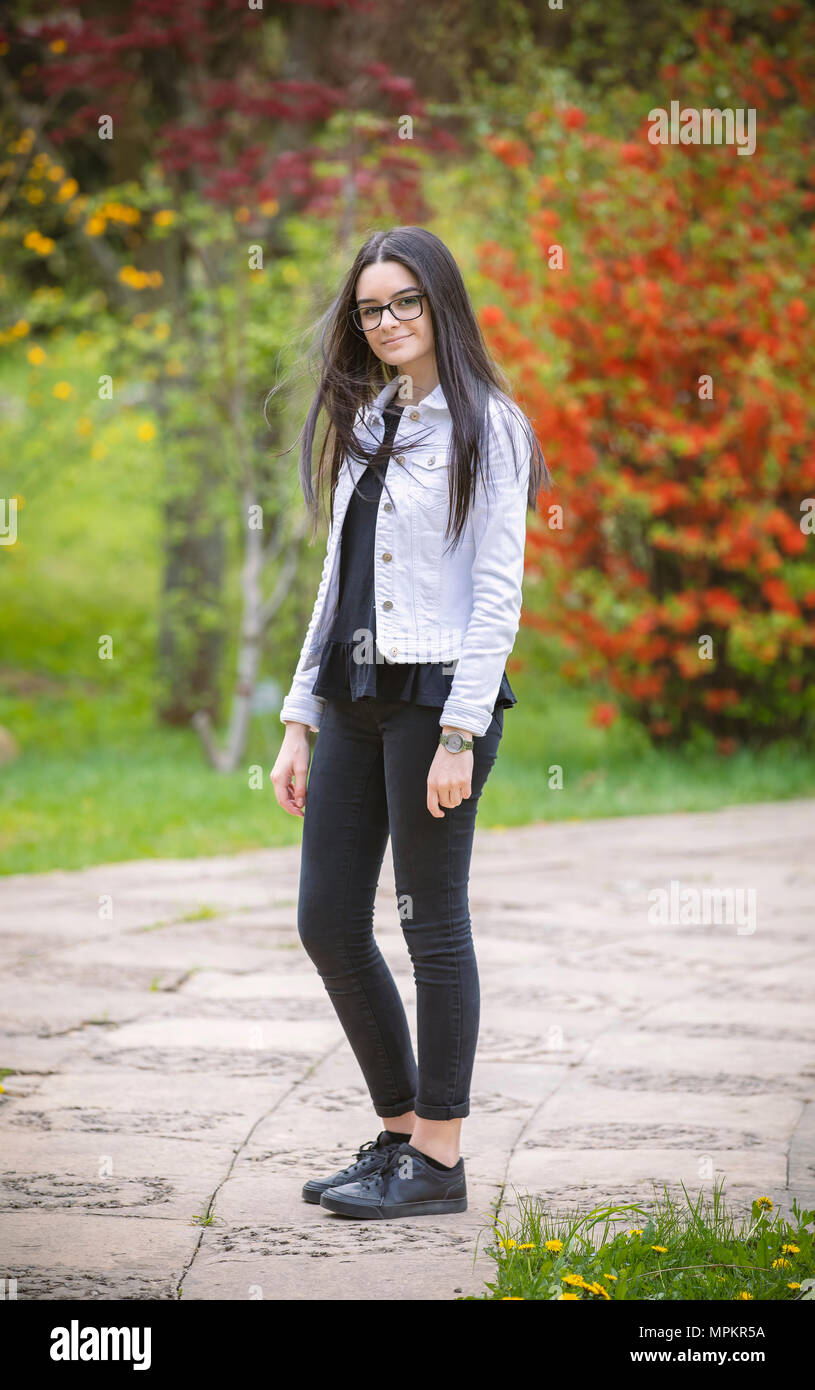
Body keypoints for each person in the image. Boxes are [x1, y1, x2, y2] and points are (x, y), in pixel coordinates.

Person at [270, 225, 548, 1220]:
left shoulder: (490, 426)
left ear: (440, 305)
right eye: (368, 309)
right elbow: (334, 583)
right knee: (327, 919)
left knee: (430, 925)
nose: (384, 323)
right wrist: (297, 719)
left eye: (403, 303)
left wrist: (461, 732)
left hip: (436, 700)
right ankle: (396, 1135)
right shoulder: (367, 422)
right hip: (349, 699)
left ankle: (439, 1158)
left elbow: (496, 594)